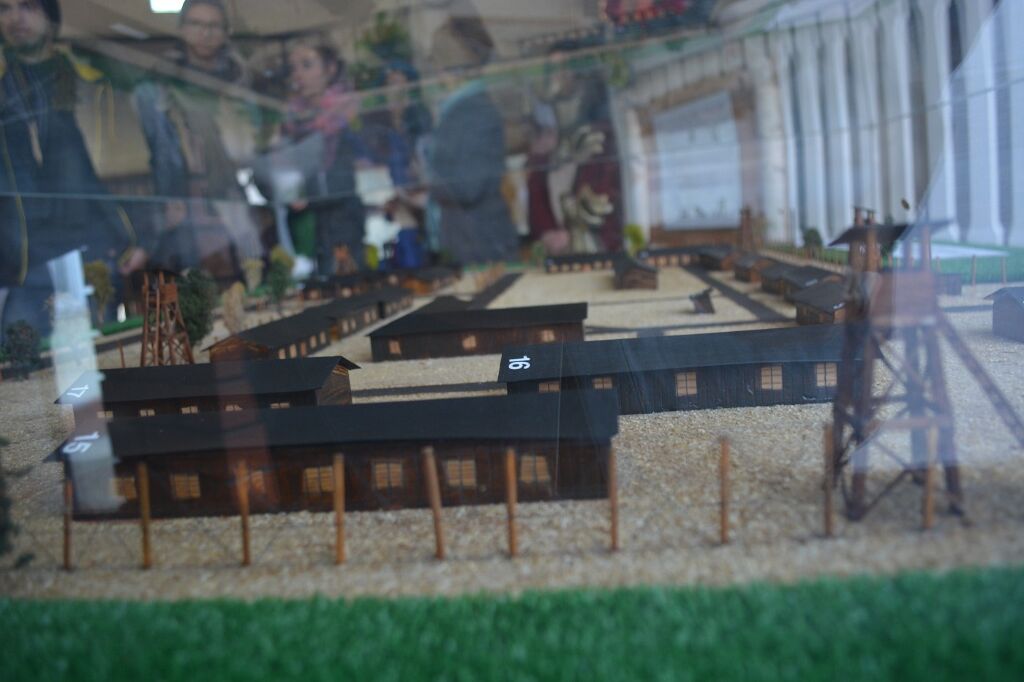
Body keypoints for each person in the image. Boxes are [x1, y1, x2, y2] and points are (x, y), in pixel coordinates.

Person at [0, 0, 143, 342]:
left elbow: (120, 165)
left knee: (99, 356)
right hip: (21, 262)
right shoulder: (5, 84)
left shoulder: (90, 82)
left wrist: (137, 237)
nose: (15, 17)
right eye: (4, 8)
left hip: (90, 251)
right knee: (22, 361)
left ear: (51, 18)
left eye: (28, 6)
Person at [132, 0, 261, 281]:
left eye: (213, 26)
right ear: (182, 29)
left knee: (251, 273)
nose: (205, 33)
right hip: (185, 202)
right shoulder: (159, 87)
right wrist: (169, 201)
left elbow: (255, 144)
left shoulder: (240, 83)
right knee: (194, 283)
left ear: (225, 33)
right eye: (196, 24)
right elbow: (161, 153)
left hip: (233, 197)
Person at [426, 15, 518, 265]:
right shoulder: (459, 109)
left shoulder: (474, 110)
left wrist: (427, 185)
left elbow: (468, 187)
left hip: (482, 246)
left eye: (439, 56)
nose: (434, 65)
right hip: (471, 243)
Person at [282, 35, 368, 276]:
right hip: (308, 220)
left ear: (330, 68)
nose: (298, 75)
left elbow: (369, 156)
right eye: (293, 68)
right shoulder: (292, 117)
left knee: (349, 275)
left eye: (307, 65)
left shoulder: (349, 109)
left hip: (344, 213)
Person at [527, 43, 624, 254]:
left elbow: (607, 207)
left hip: (602, 253)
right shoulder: (548, 142)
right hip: (563, 257)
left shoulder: (602, 138)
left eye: (566, 68)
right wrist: (549, 233)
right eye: (552, 70)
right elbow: (537, 204)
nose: (558, 77)